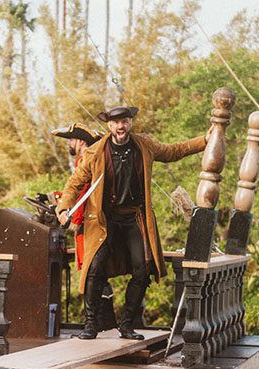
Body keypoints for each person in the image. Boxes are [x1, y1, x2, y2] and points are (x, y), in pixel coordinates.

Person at [56, 106, 211, 340]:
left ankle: (127, 325)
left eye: (125, 121)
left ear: (130, 123)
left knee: (142, 270)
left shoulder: (144, 145)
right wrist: (63, 209)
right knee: (94, 269)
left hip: (134, 218)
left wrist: (204, 141)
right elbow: (73, 184)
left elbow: (173, 151)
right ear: (110, 125)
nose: (121, 126)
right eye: (116, 122)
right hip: (104, 220)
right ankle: (90, 325)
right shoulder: (95, 152)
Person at [46, 123, 116, 334]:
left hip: (89, 225)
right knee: (97, 273)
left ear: (81, 142)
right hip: (97, 223)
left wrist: (71, 219)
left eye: (71, 140)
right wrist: (57, 198)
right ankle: (105, 324)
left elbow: (84, 195)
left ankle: (100, 324)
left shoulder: (84, 160)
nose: (69, 143)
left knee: (92, 273)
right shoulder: (95, 160)